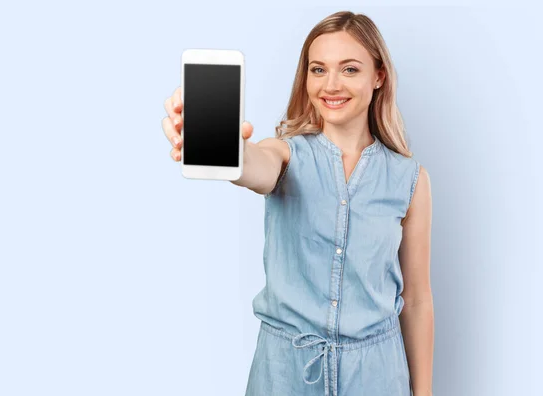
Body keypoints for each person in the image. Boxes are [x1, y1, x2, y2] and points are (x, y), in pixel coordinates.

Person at [162, 10, 434, 396]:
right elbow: (255, 167)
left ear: (378, 77)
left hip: (376, 377)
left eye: (350, 69)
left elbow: (418, 300)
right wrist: (229, 150)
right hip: (284, 376)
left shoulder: (410, 180)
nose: (331, 84)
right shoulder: (285, 155)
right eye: (318, 69)